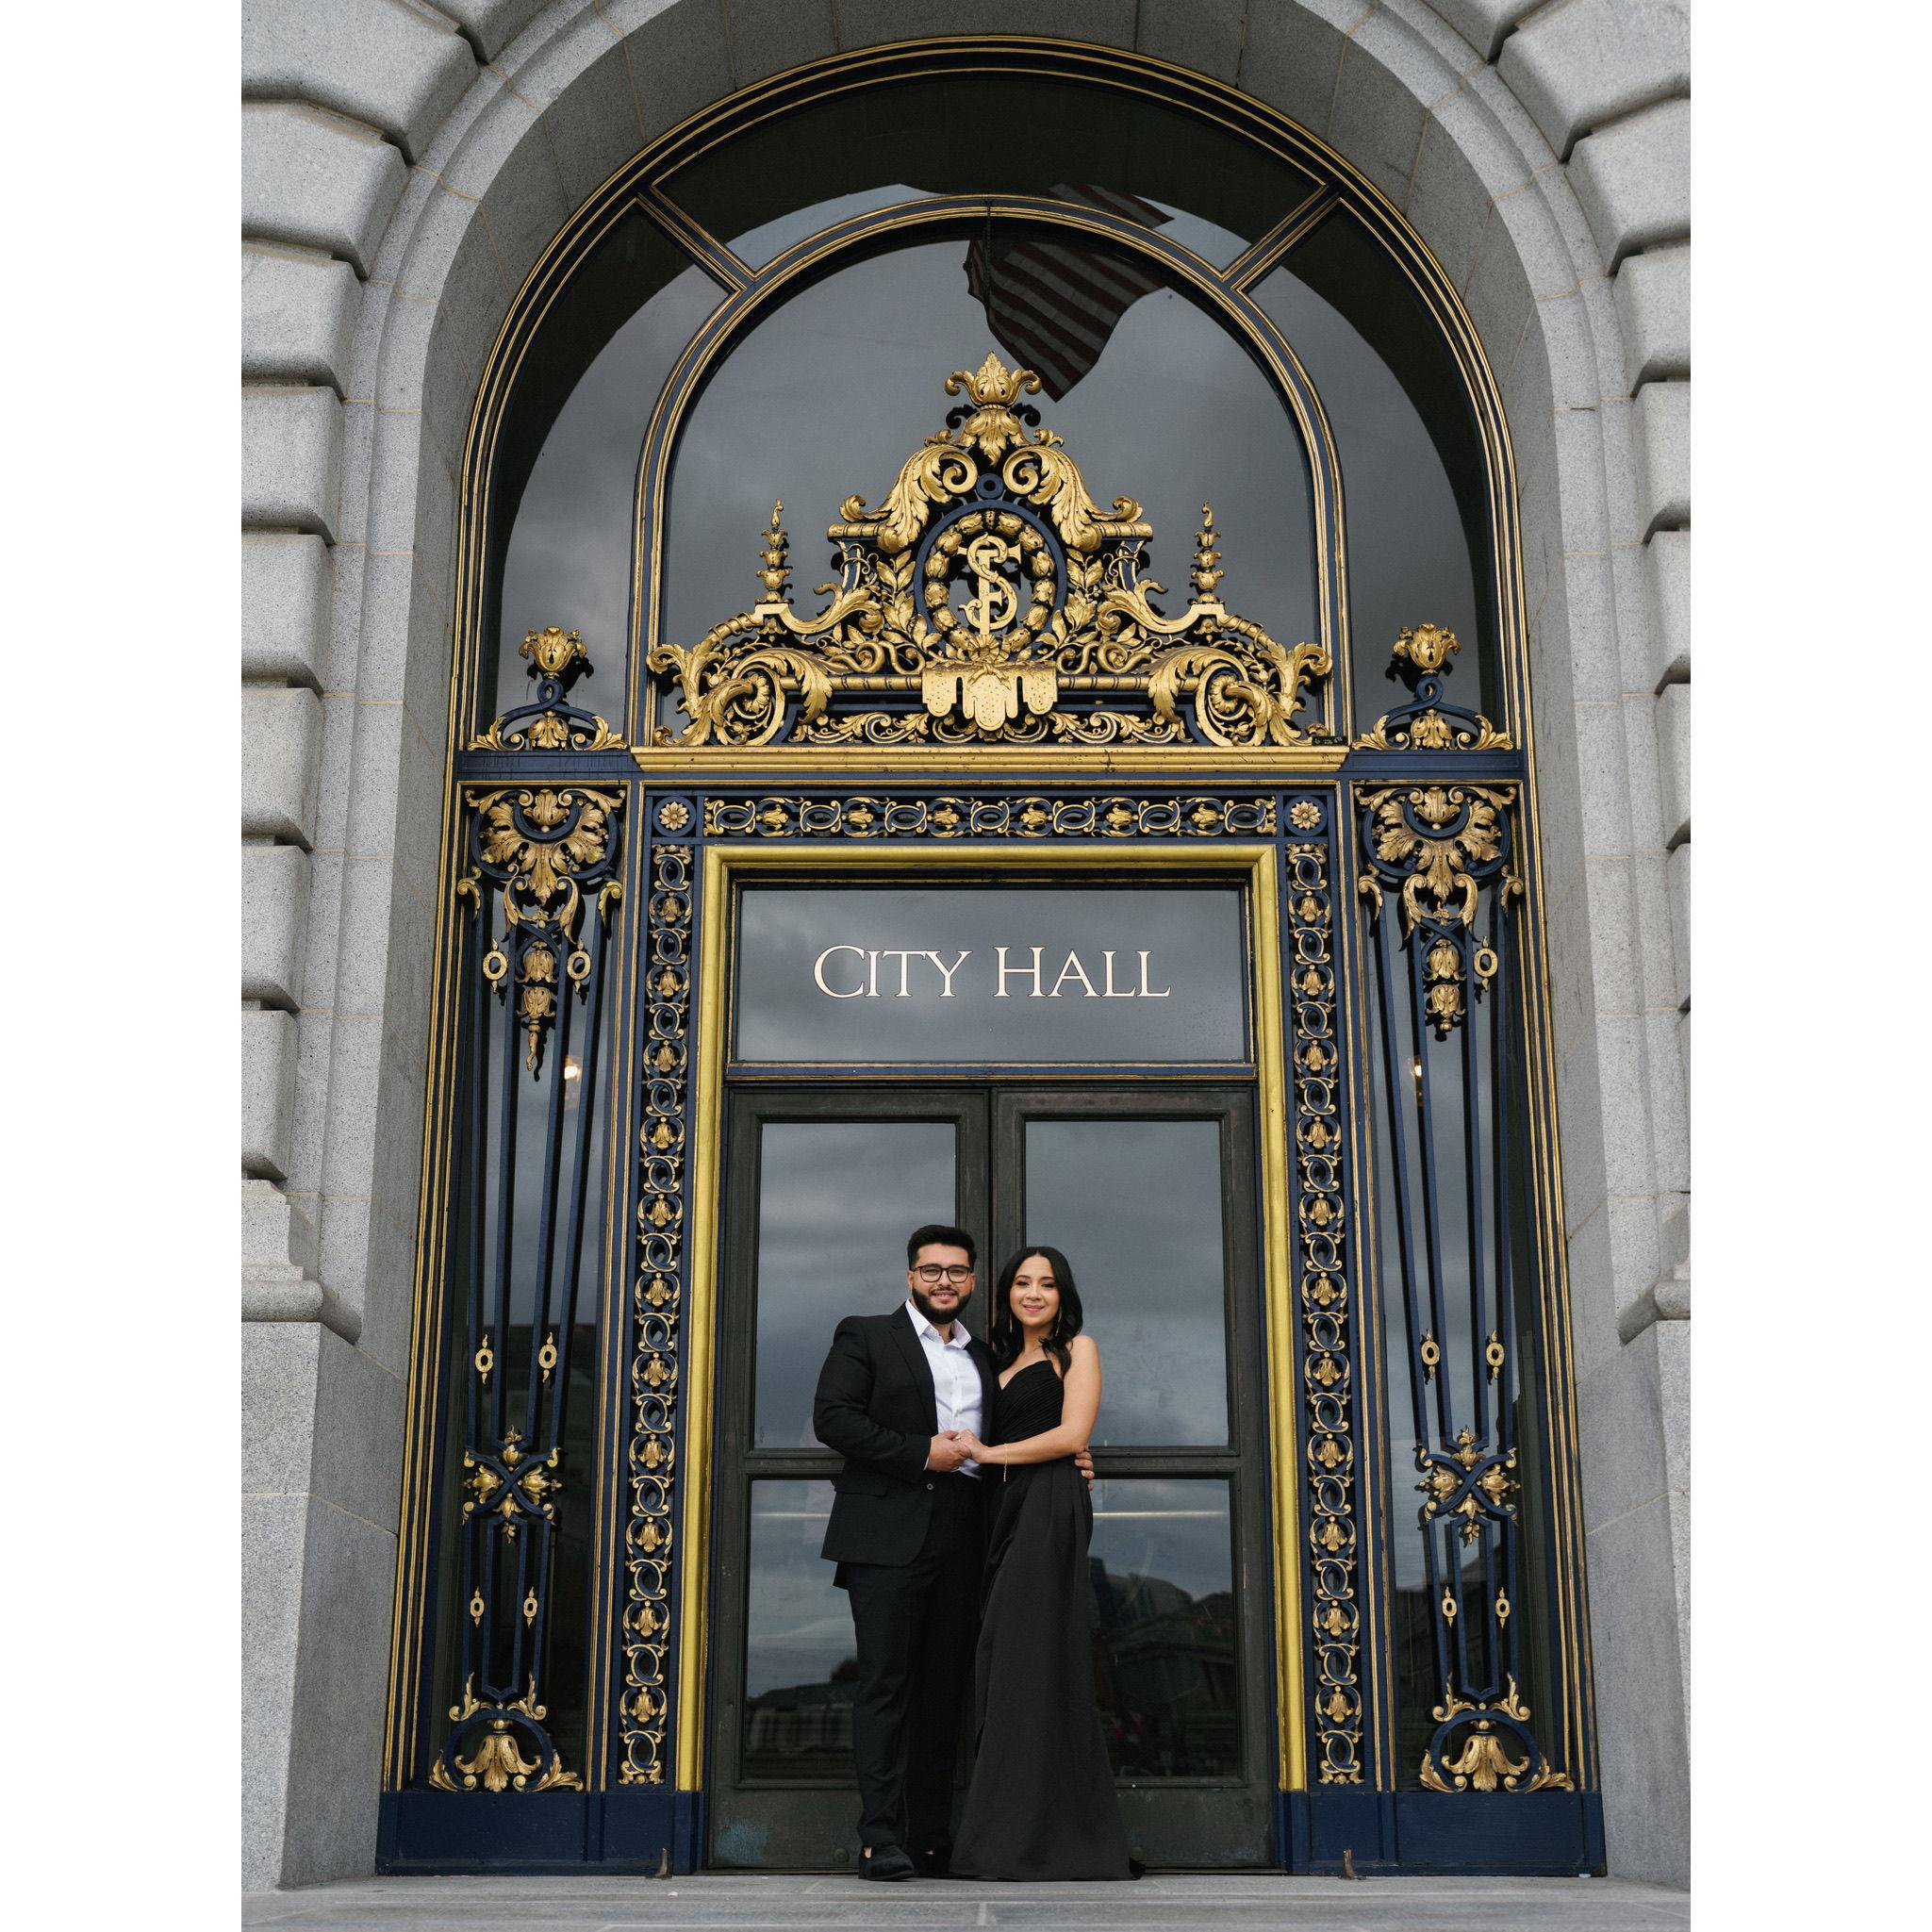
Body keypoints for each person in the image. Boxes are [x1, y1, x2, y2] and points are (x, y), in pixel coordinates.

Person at [811, 1224, 996, 1883]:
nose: (944, 1280)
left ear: (972, 1280)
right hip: (886, 1532)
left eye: (956, 1271)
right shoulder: (865, 1335)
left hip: (965, 1532)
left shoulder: (984, 1355)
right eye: (931, 1269)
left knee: (944, 1693)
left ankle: (931, 1838)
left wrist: (1072, 1450)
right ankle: (880, 1839)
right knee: (886, 1686)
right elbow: (834, 1418)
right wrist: (923, 1452)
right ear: (910, 1276)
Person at [948, 1246, 1139, 1882]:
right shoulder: (992, 1360)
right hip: (999, 1508)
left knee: (1031, 1660)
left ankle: (1032, 1841)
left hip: (1048, 1503)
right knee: (1005, 1661)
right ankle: (1017, 1833)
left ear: (1063, 1295)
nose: (1033, 1293)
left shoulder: (1077, 1349)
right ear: (1006, 1292)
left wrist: (988, 1451)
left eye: (1047, 1283)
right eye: (1023, 1282)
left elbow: (1071, 1435)